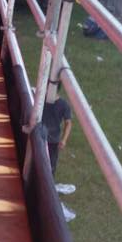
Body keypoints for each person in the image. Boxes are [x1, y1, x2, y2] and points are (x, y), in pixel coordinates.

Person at [41, 88, 75, 221]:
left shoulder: (63, 104)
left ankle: (48, 193)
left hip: (52, 142)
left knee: (50, 169)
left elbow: (68, 123)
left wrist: (64, 140)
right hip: (40, 138)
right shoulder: (42, 99)